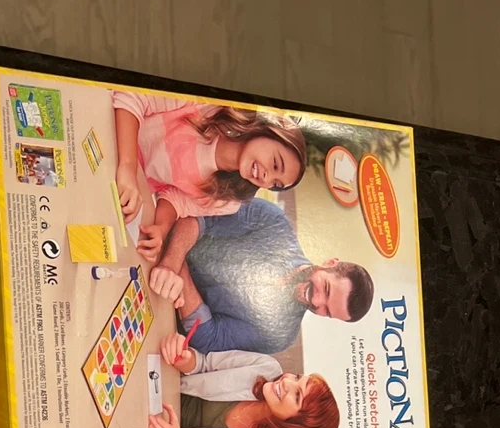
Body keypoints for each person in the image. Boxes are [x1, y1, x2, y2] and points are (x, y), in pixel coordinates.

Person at [148, 198, 374, 353]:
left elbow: (207, 336)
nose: (316, 301)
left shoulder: (281, 335)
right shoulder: (272, 222)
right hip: (154, 239)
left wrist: (179, 272)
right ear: (330, 264)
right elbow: (197, 217)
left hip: (159, 316)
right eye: (326, 289)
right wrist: (171, 264)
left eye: (327, 311)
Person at [113, 93, 307, 267]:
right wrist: (128, 167)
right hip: (110, 128)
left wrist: (161, 229)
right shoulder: (207, 103)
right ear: (268, 131)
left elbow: (176, 200)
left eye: (275, 184)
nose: (266, 179)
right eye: (275, 164)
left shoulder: (229, 202)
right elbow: (132, 96)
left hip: (122, 186)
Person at [146, 331, 340, 428]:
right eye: (297, 377)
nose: (287, 381)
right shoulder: (267, 367)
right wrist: (186, 359)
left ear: (298, 426)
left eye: (297, 395)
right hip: (156, 388)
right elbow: (204, 363)